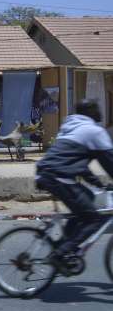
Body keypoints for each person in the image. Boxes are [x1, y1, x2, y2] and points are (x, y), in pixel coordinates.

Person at [36, 99, 113, 268]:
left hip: (45, 173)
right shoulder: (94, 131)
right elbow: (109, 161)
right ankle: (61, 253)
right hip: (59, 177)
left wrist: (100, 184)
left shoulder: (70, 127)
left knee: (88, 198)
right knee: (94, 219)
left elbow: (78, 165)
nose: (100, 111)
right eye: (96, 107)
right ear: (91, 111)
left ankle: (66, 246)